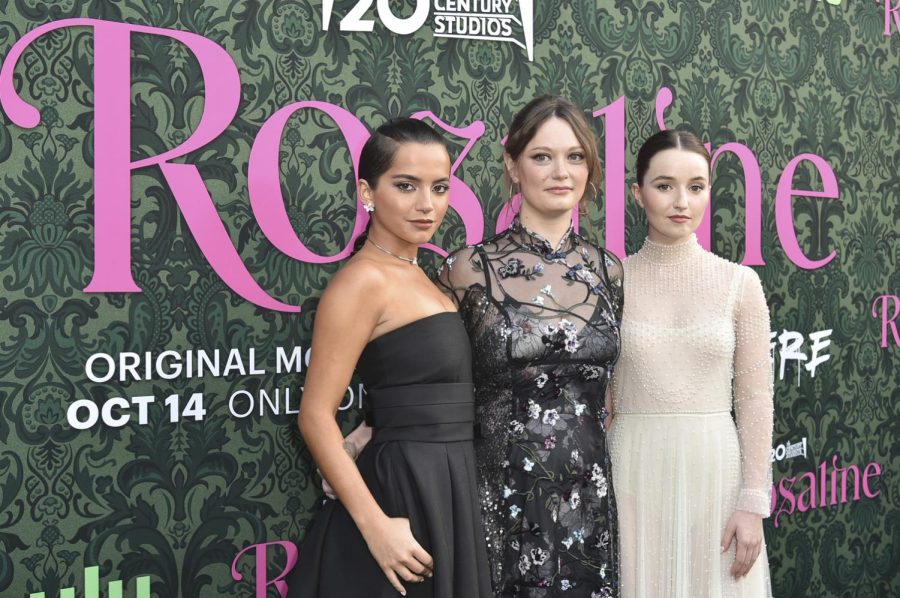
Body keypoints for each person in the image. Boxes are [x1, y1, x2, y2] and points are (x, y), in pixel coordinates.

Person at [286, 118, 492, 598]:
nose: (427, 204)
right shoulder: (362, 282)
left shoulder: (430, 278)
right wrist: (376, 527)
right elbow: (315, 417)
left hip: (449, 485)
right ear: (367, 191)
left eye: (439, 187)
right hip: (400, 495)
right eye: (405, 185)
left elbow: (412, 389)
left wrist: (366, 431)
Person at [437, 95, 622, 597]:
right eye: (542, 156)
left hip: (589, 495)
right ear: (512, 167)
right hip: (500, 497)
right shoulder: (470, 268)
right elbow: (432, 373)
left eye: (575, 156)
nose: (560, 171)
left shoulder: (608, 271)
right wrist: (369, 428)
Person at [607, 129, 774, 597]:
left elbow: (756, 399)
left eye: (696, 186)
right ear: (638, 194)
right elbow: (602, 397)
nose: (681, 201)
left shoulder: (740, 284)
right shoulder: (611, 281)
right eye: (664, 186)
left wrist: (752, 501)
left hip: (715, 474)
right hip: (633, 470)